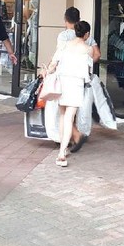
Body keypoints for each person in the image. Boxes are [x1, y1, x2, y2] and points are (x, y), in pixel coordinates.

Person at [44, 21, 94, 167]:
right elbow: (88, 68)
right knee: (69, 118)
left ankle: (63, 149)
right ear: (86, 34)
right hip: (76, 84)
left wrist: (47, 72)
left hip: (62, 83)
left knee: (62, 116)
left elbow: (53, 64)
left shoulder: (64, 45)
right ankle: (61, 153)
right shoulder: (88, 49)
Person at [53, 6, 100, 152]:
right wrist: (86, 65)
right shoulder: (87, 38)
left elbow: (58, 57)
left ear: (65, 19)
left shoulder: (63, 37)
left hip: (64, 77)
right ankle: (73, 138)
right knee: (72, 112)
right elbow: (97, 55)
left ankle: (68, 140)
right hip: (79, 80)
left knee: (64, 113)